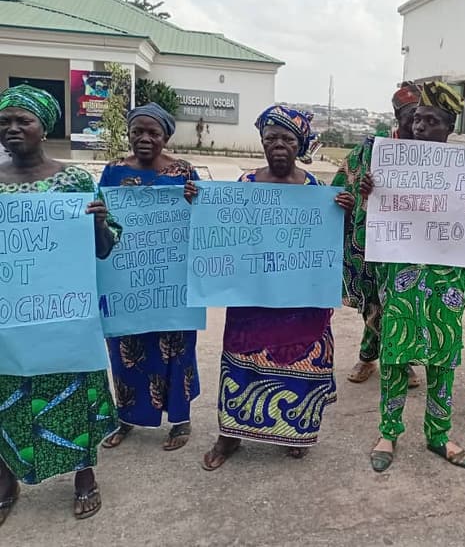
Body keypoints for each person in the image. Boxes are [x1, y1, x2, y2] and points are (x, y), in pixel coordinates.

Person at [362, 82, 465, 472]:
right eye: (417, 119)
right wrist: (370, 192)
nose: (420, 127)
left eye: (431, 121)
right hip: (402, 271)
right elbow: (372, 218)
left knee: (442, 351)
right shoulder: (392, 163)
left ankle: (439, 434)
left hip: (447, 275)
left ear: (449, 127)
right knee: (395, 351)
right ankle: (388, 431)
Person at [200, 105, 355, 470]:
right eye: (271, 138)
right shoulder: (245, 185)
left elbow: (332, 242)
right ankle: (230, 436)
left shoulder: (316, 190)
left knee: (301, 361)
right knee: (242, 364)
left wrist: (344, 214)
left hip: (301, 302)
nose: (279, 145)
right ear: (262, 142)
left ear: (300, 144)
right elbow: (222, 231)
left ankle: (295, 432)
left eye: (288, 139)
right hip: (253, 298)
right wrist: (200, 204)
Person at [0, 85, 119, 523]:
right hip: (9, 316)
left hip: (63, 316)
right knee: (6, 394)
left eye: (23, 120)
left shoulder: (76, 182)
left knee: (74, 390)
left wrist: (99, 224)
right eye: (4, 122)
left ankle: (84, 475)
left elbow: (105, 249)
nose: (13, 129)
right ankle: (5, 478)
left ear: (44, 128)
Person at [99, 103, 201, 452]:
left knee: (177, 350)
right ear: (128, 135)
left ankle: (180, 419)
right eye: (137, 132)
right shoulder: (113, 171)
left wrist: (196, 202)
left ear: (166, 137)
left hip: (171, 282)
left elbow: (206, 218)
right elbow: (102, 220)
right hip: (127, 282)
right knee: (126, 351)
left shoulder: (183, 171)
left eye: (153, 132)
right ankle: (127, 417)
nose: (144, 138)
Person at [338, 82, 422, 388]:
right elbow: (344, 185)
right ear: (398, 116)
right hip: (375, 237)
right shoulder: (374, 149)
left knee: (403, 301)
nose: (418, 125)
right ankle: (370, 357)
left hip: (415, 239)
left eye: (423, 118)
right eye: (412, 117)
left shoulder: (432, 153)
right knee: (374, 300)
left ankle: (398, 359)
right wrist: (361, 193)